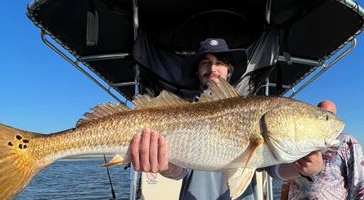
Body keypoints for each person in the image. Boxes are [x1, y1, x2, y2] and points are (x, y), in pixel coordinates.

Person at [128, 38, 325, 200]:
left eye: (220, 62)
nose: (213, 68)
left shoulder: (254, 110)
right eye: (205, 62)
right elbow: (180, 171)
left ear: (229, 70)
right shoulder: (179, 111)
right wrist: (163, 165)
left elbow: (275, 169)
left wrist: (305, 169)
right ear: (197, 71)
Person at [276, 100, 364, 199]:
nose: (323, 120)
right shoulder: (299, 142)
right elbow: (286, 183)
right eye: (319, 113)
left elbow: (360, 184)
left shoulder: (347, 142)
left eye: (328, 116)